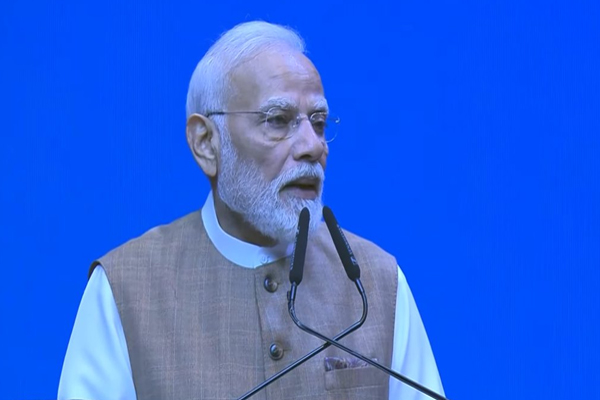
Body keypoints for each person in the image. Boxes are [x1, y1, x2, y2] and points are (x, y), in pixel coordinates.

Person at [58, 21, 445, 400]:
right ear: (206, 143)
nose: (313, 146)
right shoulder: (125, 289)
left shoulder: (377, 282)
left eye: (319, 122)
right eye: (278, 121)